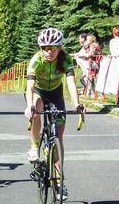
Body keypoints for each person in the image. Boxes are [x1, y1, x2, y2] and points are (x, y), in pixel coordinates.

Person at [24, 27, 84, 201]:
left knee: (58, 135)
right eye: (44, 48)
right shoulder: (36, 60)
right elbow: (29, 86)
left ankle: (59, 182)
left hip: (56, 94)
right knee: (36, 109)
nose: (48, 52)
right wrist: (29, 106)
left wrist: (78, 104)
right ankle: (35, 147)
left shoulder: (65, 60)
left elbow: (71, 83)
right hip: (38, 92)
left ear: (60, 47)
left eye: (52, 48)